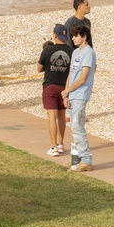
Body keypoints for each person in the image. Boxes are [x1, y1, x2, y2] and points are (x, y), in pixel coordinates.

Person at [62, 25, 96, 172]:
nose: (73, 38)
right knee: (75, 127)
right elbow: (71, 74)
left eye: (76, 36)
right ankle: (76, 159)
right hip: (72, 94)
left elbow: (82, 78)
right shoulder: (75, 52)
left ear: (84, 36)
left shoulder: (89, 53)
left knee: (77, 127)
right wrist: (66, 93)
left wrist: (68, 90)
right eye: (72, 36)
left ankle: (86, 160)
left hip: (81, 94)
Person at [38, 25, 72, 156]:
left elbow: (39, 68)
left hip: (50, 86)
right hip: (65, 87)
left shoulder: (47, 50)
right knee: (62, 116)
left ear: (55, 35)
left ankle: (54, 147)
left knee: (52, 117)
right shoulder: (71, 51)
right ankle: (61, 144)